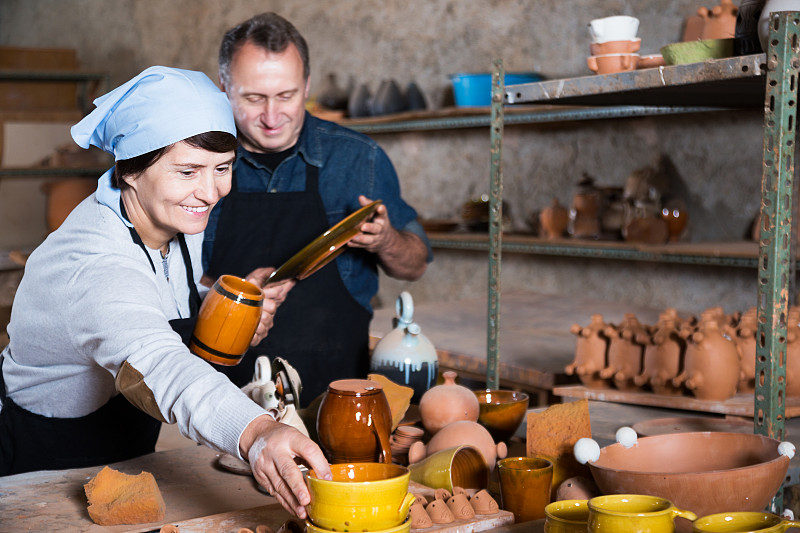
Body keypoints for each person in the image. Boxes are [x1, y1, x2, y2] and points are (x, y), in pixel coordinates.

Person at [0, 66, 330, 518]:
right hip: (41, 466)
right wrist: (256, 434)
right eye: (188, 170)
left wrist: (229, 310)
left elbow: (168, 291)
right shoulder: (95, 264)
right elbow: (160, 364)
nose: (210, 192)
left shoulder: (173, 222)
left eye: (223, 168)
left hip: (125, 458)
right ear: (131, 170)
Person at [204, 13, 432, 404]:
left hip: (337, 396)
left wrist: (386, 240)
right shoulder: (199, 162)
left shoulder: (360, 159)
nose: (272, 117)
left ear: (307, 84)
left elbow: (416, 264)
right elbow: (165, 282)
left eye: (287, 96)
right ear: (224, 88)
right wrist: (227, 298)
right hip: (219, 402)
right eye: (254, 98)